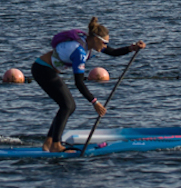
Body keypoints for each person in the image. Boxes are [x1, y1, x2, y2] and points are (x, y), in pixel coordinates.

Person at [32, 17, 145, 152]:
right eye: (104, 43)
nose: (105, 46)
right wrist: (95, 102)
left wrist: (132, 48)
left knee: (69, 106)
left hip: (47, 70)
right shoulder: (79, 52)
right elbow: (79, 83)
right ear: (96, 39)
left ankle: (49, 142)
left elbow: (113, 52)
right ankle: (56, 145)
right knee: (67, 106)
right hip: (42, 69)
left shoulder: (89, 43)